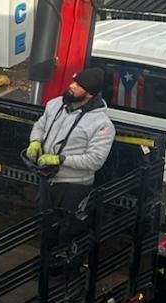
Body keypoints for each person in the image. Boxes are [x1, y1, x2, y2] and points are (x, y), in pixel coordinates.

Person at [24, 66, 116, 224]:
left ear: (90, 94)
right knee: (44, 226)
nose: (72, 86)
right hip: (47, 181)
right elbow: (40, 125)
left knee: (67, 231)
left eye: (79, 85)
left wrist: (60, 159)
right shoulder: (55, 104)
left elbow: (95, 160)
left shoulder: (102, 124)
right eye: (74, 81)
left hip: (74, 188)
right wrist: (35, 141)